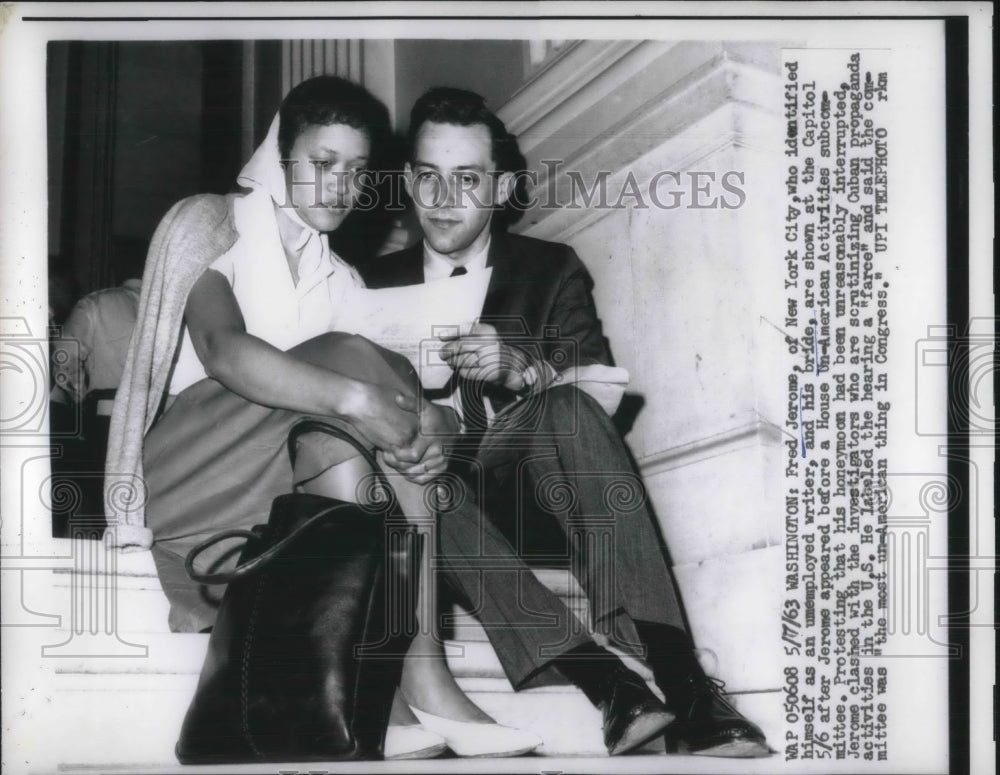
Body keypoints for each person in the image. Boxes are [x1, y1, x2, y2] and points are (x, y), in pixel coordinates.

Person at [104, 76, 540, 760]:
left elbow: (403, 395)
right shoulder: (212, 221)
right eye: (323, 163)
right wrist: (357, 396)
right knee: (351, 362)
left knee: (369, 391)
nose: (341, 185)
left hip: (269, 492)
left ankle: (387, 686)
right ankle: (422, 669)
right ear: (282, 157)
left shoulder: (344, 281)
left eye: (358, 170)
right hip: (180, 478)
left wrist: (435, 430)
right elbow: (223, 349)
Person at [361, 87, 771, 758]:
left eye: (467, 178)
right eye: (428, 176)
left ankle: (686, 684)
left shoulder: (548, 270)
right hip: (433, 506)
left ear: (502, 186)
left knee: (569, 406)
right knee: (410, 469)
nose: (443, 196)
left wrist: (527, 371)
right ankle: (606, 681)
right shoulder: (367, 282)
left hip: (536, 493)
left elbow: (599, 400)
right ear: (408, 180)